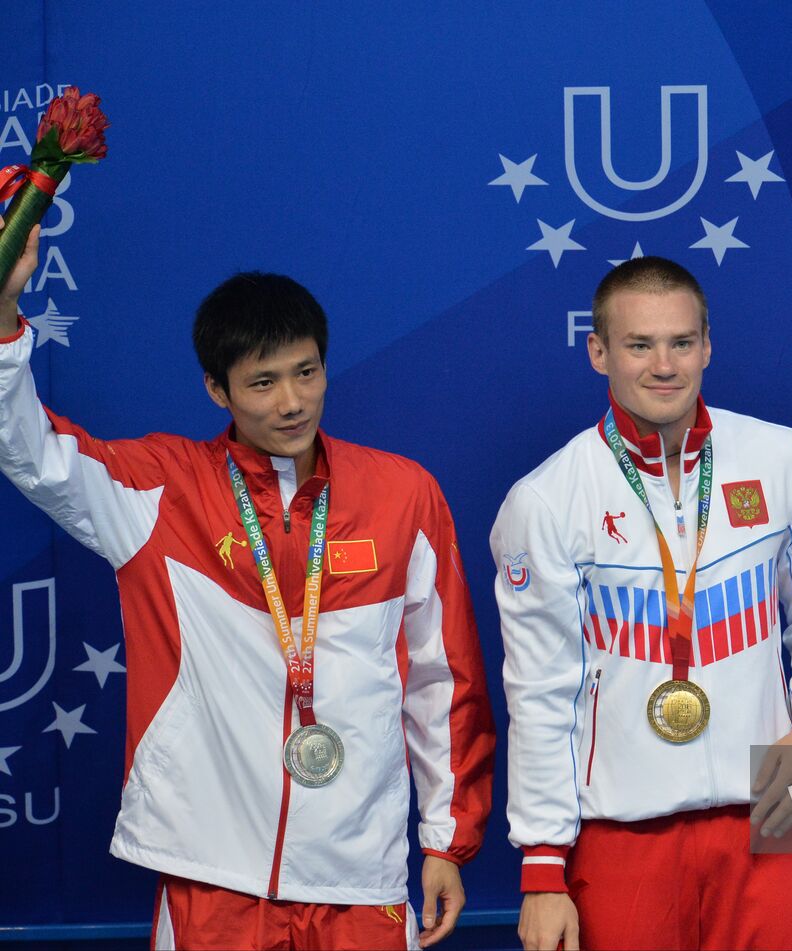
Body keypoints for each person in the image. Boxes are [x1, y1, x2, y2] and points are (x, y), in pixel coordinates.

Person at [0, 219, 495, 951]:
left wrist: (446, 841)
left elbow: (443, 678)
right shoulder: (160, 490)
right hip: (211, 874)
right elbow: (32, 454)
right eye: (262, 382)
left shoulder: (404, 493)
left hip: (360, 876)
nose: (292, 401)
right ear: (216, 388)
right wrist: (5, 320)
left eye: (307, 371)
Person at [491, 256, 792, 950]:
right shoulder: (545, 500)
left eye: (681, 342)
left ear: (708, 345)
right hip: (621, 839)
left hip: (768, 821)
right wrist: (542, 871)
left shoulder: (778, 458)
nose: (664, 365)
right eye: (639, 345)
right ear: (598, 350)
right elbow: (538, 694)